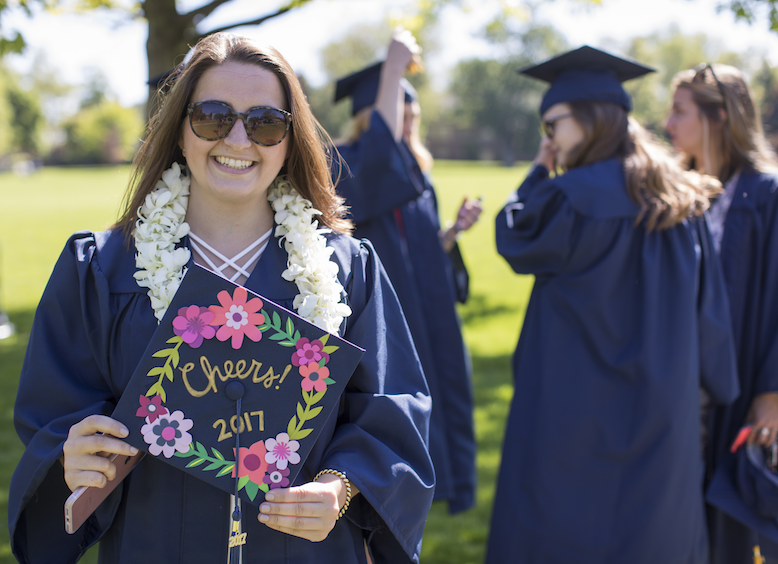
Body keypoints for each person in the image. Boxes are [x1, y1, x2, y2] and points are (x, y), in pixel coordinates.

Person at [8, 32, 434, 564]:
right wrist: (72, 454)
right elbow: (54, 414)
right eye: (212, 116)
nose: (238, 140)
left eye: (265, 122)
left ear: (290, 138)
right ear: (180, 129)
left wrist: (340, 488)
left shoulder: (346, 270)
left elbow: (391, 416)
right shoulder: (102, 267)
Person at [487, 46, 740, 563]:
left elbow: (513, 235)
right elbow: (711, 315)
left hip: (566, 419)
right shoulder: (681, 200)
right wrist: (724, 388)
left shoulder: (566, 199)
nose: (548, 139)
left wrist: (538, 173)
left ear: (587, 118)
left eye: (552, 124)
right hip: (661, 416)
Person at [332, 30, 481, 514]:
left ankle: (447, 479)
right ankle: (398, 483)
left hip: (428, 303)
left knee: (445, 386)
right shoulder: (347, 166)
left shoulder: (419, 174)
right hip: (388, 307)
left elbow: (418, 247)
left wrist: (451, 235)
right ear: (368, 116)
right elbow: (376, 175)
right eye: (401, 110)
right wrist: (392, 69)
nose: (409, 121)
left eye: (413, 113)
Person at [665, 62, 778, 562]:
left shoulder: (766, 195)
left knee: (730, 525)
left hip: (740, 376)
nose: (667, 123)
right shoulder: (676, 192)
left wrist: (772, 393)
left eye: (679, 110)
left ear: (717, 117)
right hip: (676, 382)